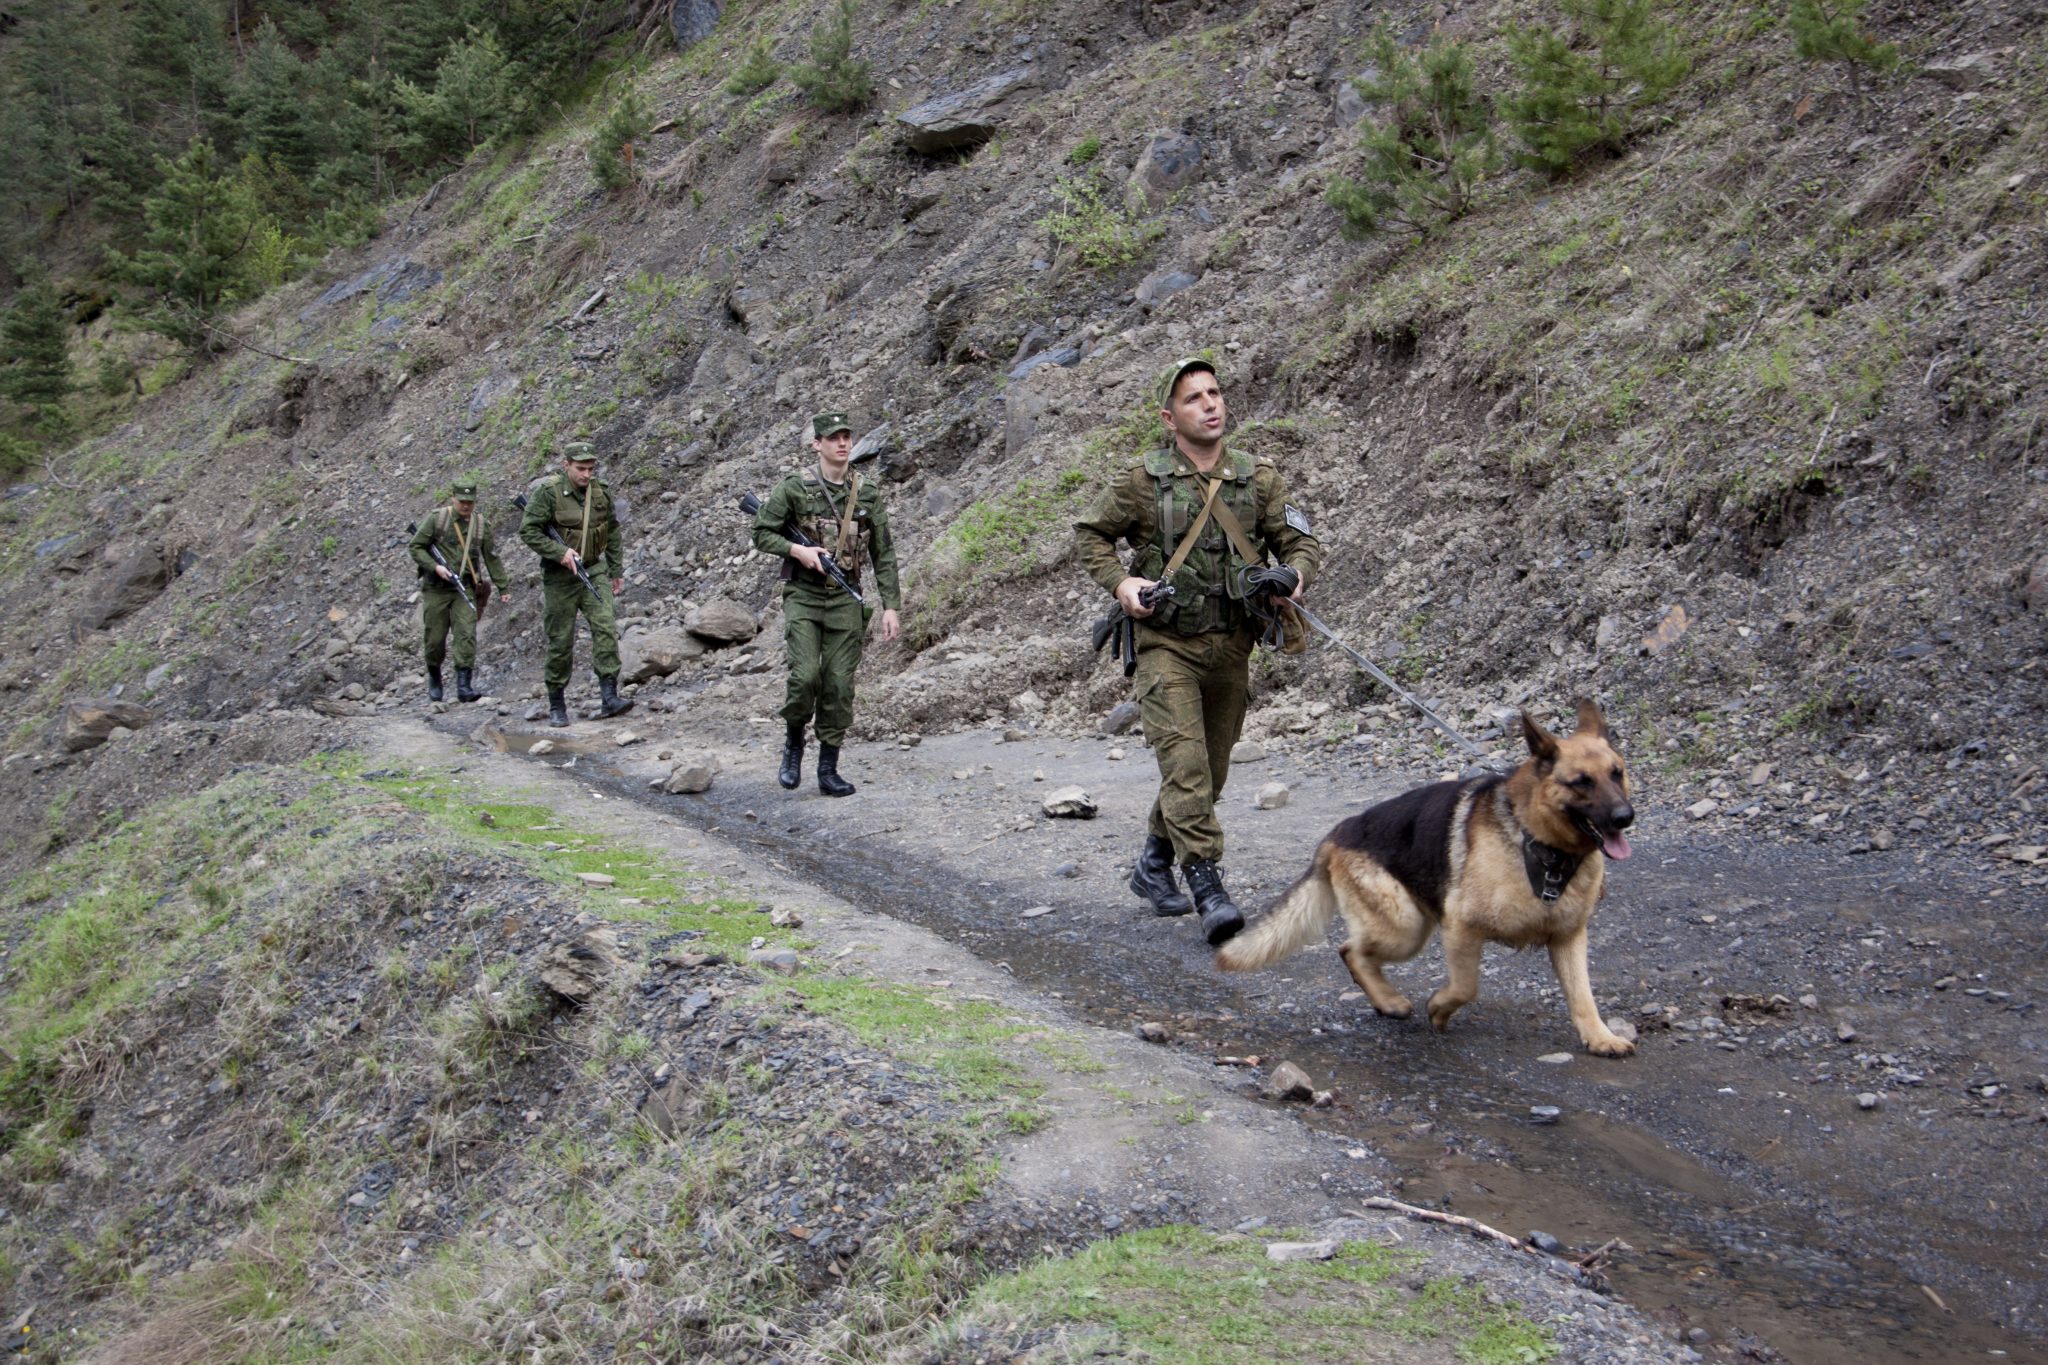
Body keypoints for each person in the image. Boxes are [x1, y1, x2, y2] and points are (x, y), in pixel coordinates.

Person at [1073, 356, 1324, 945]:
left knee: (1209, 772)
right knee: (1184, 767)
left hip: (1232, 646)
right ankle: (1207, 884)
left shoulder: (1257, 477)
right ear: (1170, 417)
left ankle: (1152, 864)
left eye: (1215, 394)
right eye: (1194, 398)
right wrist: (1123, 584)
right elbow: (1092, 534)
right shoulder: (1143, 481)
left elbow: (1299, 540)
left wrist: (1292, 576)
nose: (1210, 404)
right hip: (1167, 645)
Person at [750, 411, 901, 797]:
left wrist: (890, 606)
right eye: (834, 438)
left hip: (846, 599)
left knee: (838, 685)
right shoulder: (794, 488)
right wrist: (798, 550)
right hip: (803, 595)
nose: (843, 444)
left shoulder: (866, 492)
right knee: (804, 678)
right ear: (817, 444)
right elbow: (762, 533)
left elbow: (883, 552)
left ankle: (828, 768)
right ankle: (793, 742)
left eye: (847, 437)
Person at [519, 442, 630, 727]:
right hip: (560, 579)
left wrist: (616, 568)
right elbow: (529, 530)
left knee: (605, 626)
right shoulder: (548, 493)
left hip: (594, 570)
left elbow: (612, 530)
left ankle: (609, 696)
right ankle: (557, 704)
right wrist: (560, 553)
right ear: (566, 464)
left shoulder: (601, 491)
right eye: (580, 469)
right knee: (560, 640)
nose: (586, 475)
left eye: (591, 469)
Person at [409, 477, 512, 703]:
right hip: (436, 589)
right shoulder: (438, 520)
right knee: (435, 639)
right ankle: (435, 679)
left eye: (470, 502)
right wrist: (435, 567)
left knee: (466, 635)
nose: (466, 506)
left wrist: (502, 585)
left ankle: (464, 686)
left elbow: (491, 557)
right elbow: (416, 547)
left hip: (464, 587)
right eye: (462, 501)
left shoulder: (480, 525)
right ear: (453, 498)